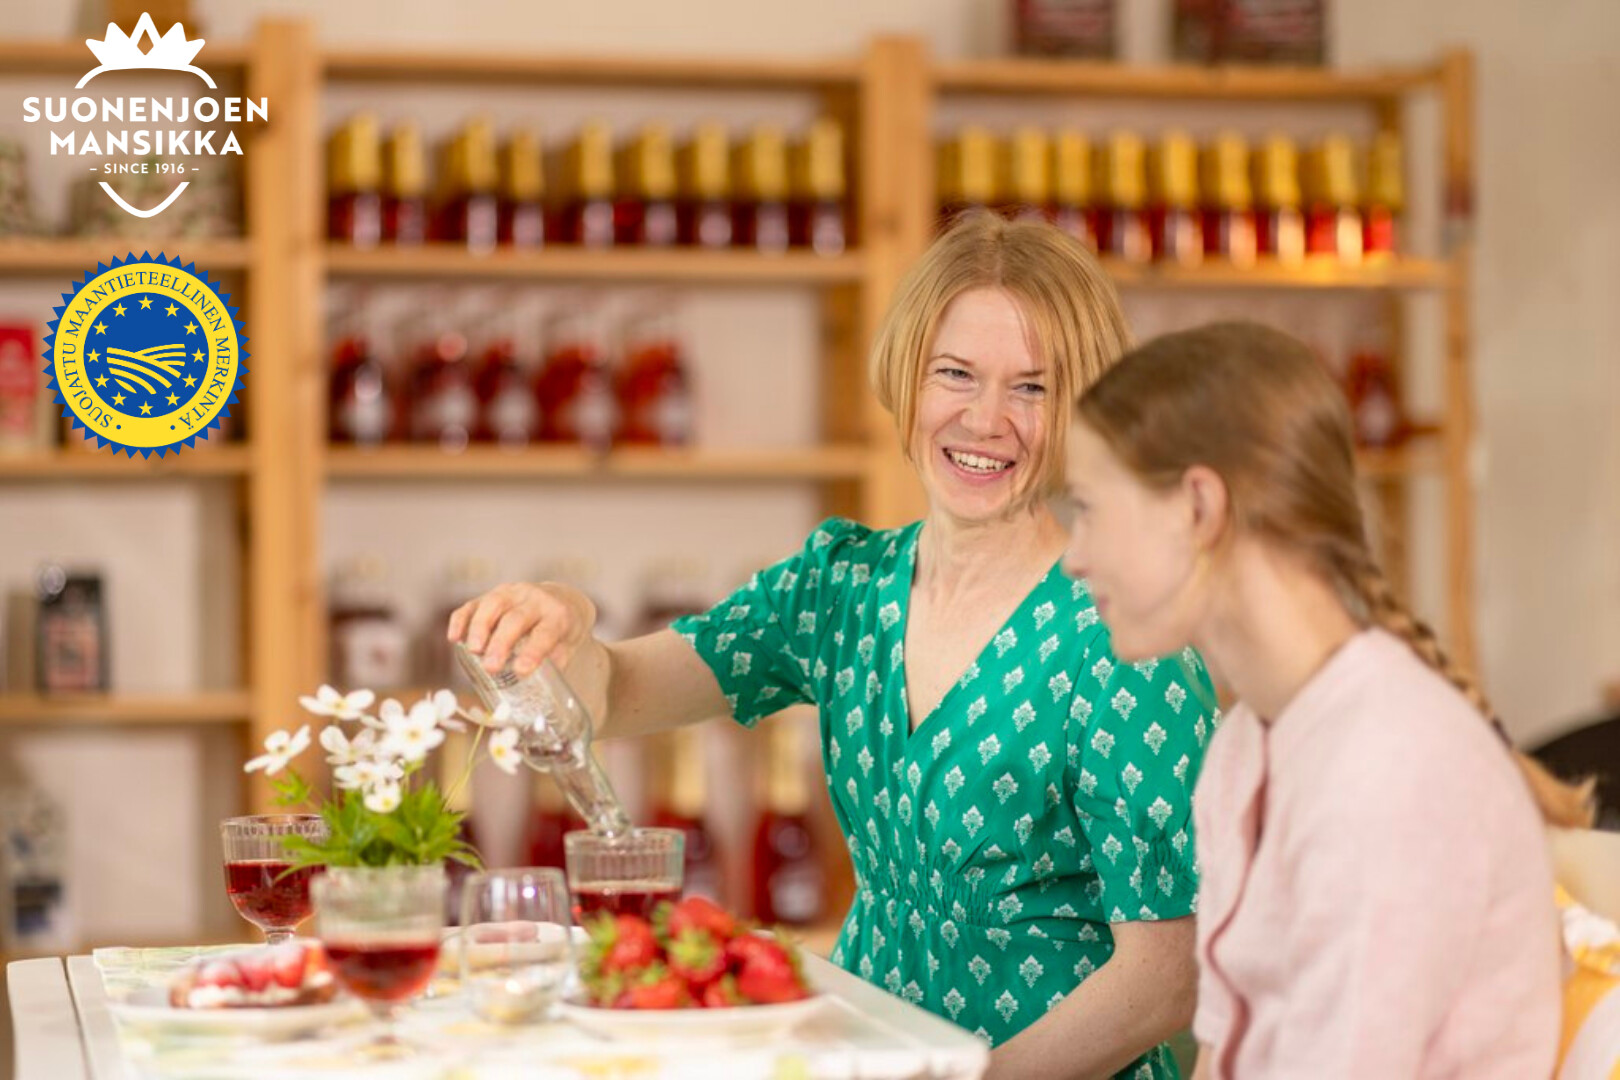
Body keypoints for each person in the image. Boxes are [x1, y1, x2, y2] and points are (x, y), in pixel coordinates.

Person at [450, 213, 1220, 1079]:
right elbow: (619, 693)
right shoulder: (843, 587)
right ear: (909, 379)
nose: (985, 418)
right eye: (955, 374)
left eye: (1033, 389)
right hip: (867, 1051)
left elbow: (1167, 973)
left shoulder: (1126, 639)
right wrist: (564, 618)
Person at [1061, 320, 1594, 1079]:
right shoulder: (1248, 741)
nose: (1075, 556)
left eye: (1088, 508)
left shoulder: (1389, 765)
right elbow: (1224, 1052)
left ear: (1199, 508)